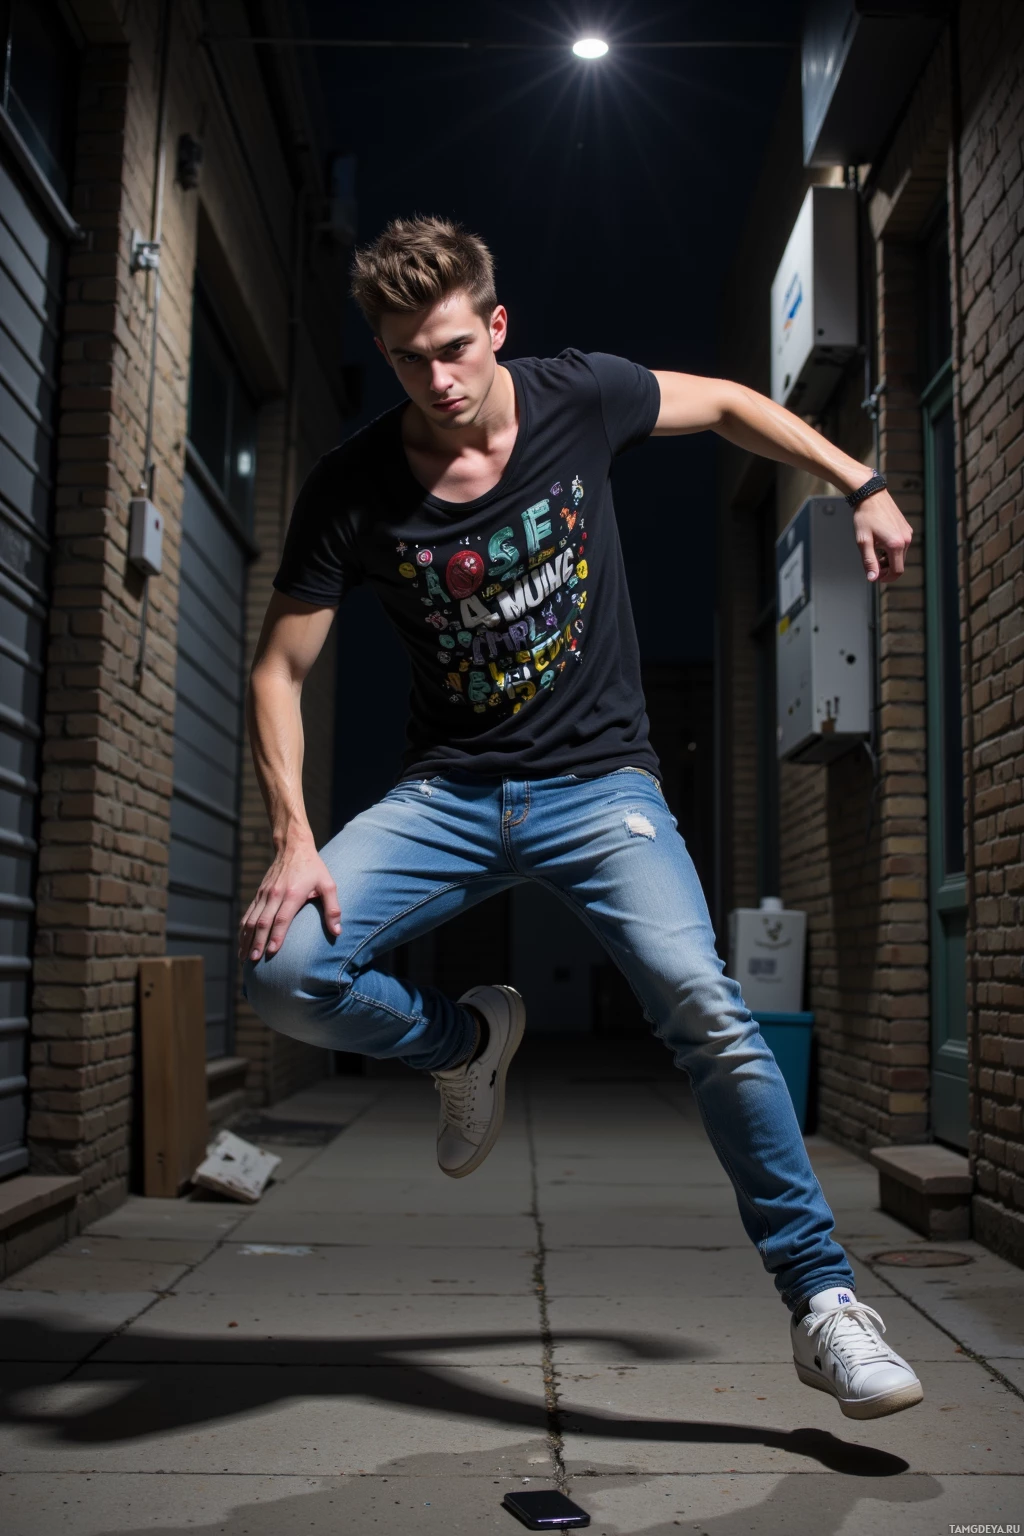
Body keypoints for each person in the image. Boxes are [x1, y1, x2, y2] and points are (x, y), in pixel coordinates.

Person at [240, 215, 922, 1421]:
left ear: (497, 327)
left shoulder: (579, 395)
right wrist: (294, 833)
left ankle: (823, 1303)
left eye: (453, 347)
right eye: (406, 359)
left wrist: (858, 480)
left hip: (602, 786)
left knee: (707, 1008)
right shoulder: (352, 486)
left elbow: (721, 402)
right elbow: (278, 672)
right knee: (287, 970)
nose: (436, 381)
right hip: (445, 794)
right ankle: (462, 1048)